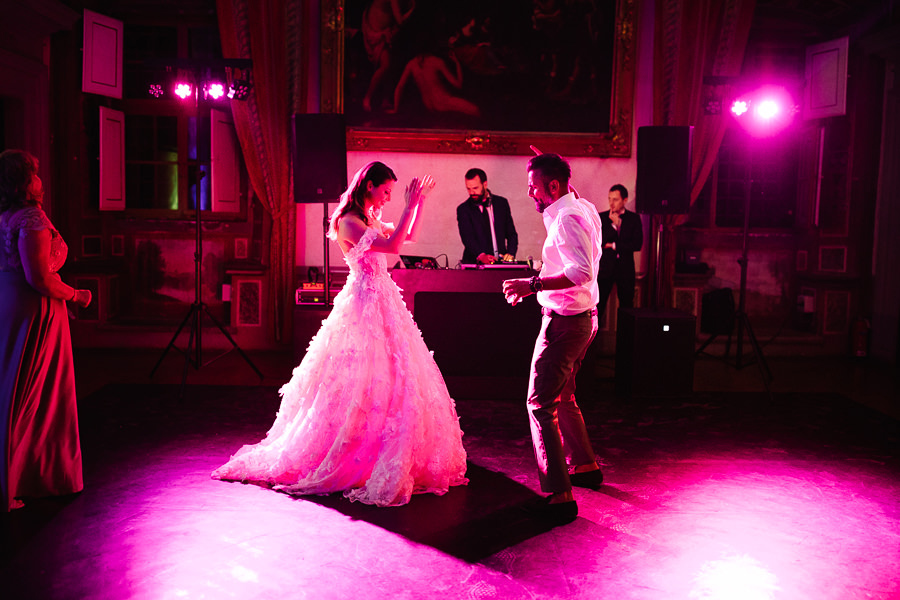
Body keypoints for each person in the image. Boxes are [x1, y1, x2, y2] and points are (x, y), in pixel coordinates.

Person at [213, 161, 468, 507]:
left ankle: (385, 448)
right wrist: (409, 205)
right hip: (364, 304)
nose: (390, 197)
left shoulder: (370, 218)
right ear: (369, 187)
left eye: (394, 193)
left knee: (395, 378)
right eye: (387, 191)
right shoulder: (348, 221)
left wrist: (418, 203)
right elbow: (392, 248)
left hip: (385, 300)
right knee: (358, 381)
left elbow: (407, 237)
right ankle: (351, 452)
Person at [502, 153, 603, 525]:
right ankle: (587, 467)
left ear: (554, 186)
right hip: (584, 320)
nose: (530, 193)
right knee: (564, 396)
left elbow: (580, 272)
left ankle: (560, 494)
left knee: (539, 403)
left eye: (533, 186)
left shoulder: (568, 217)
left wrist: (532, 285)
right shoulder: (583, 207)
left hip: (564, 323)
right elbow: (566, 191)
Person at [0, 149, 92, 511]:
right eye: (35, 174)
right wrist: (76, 295)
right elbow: (38, 277)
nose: (41, 181)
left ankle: (28, 473)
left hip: (10, 303)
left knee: (15, 386)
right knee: (33, 391)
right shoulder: (30, 217)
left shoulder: (6, 215)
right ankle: (24, 477)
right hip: (32, 309)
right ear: (24, 182)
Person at [597, 184, 643, 317]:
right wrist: (613, 233)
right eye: (609, 199)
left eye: (615, 199)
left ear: (625, 200)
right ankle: (594, 337)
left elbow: (637, 245)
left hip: (625, 270)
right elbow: (599, 242)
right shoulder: (601, 218)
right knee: (598, 307)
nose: (611, 203)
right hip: (605, 270)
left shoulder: (634, 219)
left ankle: (626, 338)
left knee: (627, 308)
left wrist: (618, 228)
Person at [457, 168, 518, 264]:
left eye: (475, 188)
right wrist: (481, 255)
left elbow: (511, 234)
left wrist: (511, 253)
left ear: (485, 184)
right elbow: (467, 237)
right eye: (468, 189)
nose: (472, 193)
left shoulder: (501, 203)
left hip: (500, 263)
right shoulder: (464, 209)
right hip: (475, 264)